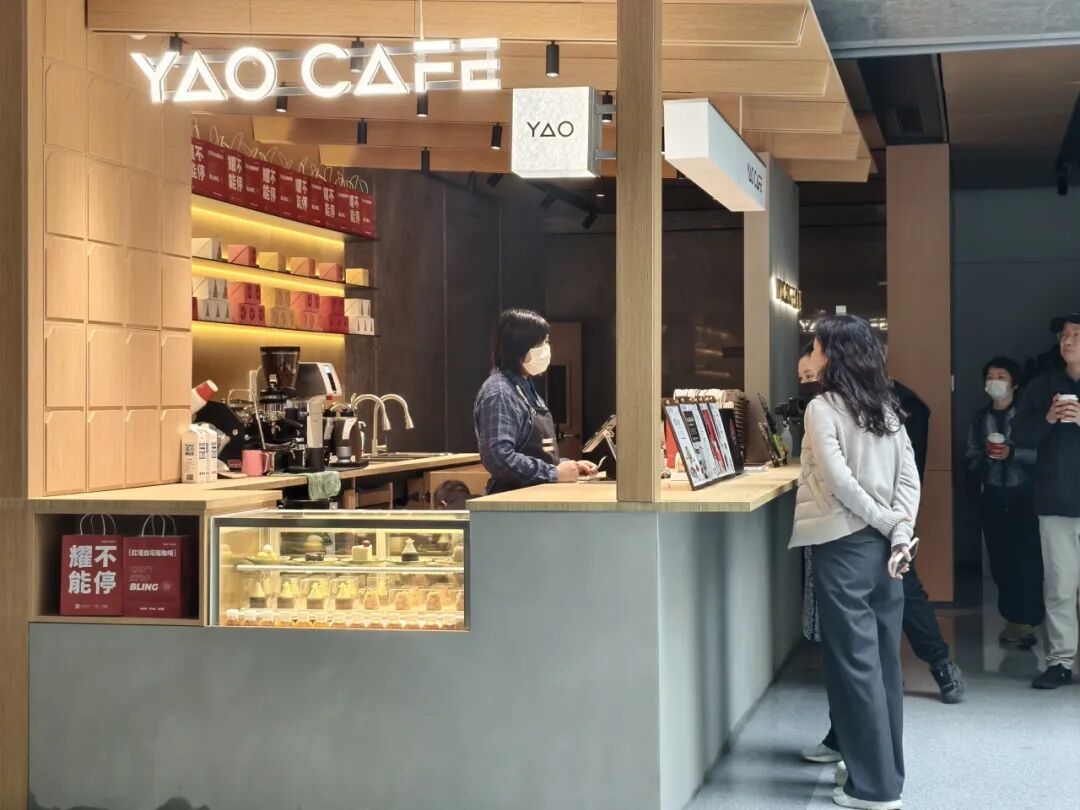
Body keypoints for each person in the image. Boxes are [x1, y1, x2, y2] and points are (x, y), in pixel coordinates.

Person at [790, 315, 920, 810]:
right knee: (882, 663)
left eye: (815, 347)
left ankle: (875, 788)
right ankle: (874, 768)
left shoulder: (822, 407)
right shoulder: (887, 406)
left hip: (844, 544)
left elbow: (839, 481)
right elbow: (909, 480)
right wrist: (899, 529)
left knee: (855, 665)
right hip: (886, 549)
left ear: (834, 354)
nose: (810, 356)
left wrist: (888, 524)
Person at [797, 344, 965, 719]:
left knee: (905, 593)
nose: (813, 381)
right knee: (877, 609)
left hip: (886, 519)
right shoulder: (831, 406)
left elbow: (904, 471)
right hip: (860, 518)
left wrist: (895, 522)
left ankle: (939, 665)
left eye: (815, 372)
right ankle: (878, 688)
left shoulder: (898, 404)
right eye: (806, 376)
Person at [1013, 313, 1080, 690]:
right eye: (1064, 336)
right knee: (1059, 587)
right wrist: (1049, 418)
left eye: (1076, 335)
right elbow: (1019, 434)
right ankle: (1059, 662)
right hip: (1056, 501)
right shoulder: (1043, 386)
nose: (1067, 341)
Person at [965, 356, 1043, 647]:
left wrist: (1013, 454)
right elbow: (970, 457)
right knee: (1000, 560)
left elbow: (1043, 456)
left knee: (1027, 560)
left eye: (1001, 377)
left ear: (1015, 383)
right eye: (990, 377)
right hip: (993, 495)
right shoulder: (980, 418)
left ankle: (1027, 622)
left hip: (1025, 495)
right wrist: (987, 457)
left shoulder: (1028, 417)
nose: (994, 382)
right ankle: (1013, 619)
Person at [474, 309, 596, 493]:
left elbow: (535, 453)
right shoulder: (499, 392)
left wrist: (568, 466)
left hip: (534, 496)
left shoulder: (523, 386)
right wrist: (553, 473)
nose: (547, 348)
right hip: (512, 501)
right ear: (521, 347)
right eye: (542, 342)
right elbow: (499, 458)